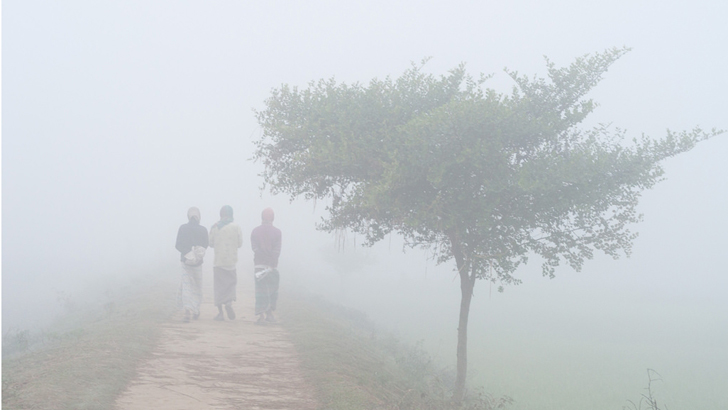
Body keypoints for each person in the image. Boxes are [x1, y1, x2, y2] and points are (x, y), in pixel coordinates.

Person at [209, 205, 243, 321]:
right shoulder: (236, 227)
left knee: (219, 288)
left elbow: (210, 243)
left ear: (220, 214)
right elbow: (240, 244)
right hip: (231, 263)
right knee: (230, 285)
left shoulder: (215, 227)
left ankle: (220, 313)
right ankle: (229, 303)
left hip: (218, 263)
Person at [175, 207, 209, 323]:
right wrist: (196, 254)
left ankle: (187, 311)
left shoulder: (183, 228)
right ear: (198, 217)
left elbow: (178, 245)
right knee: (197, 286)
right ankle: (196, 310)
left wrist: (188, 253)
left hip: (186, 262)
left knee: (186, 286)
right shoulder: (203, 230)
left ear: (188, 216)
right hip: (198, 264)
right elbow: (206, 245)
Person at [251, 207, 282, 323]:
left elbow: (255, 248)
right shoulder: (277, 232)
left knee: (260, 291)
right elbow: (277, 251)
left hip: (259, 265)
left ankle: (261, 317)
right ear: (273, 218)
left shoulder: (255, 231)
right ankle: (269, 314)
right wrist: (271, 262)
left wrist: (262, 256)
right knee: (271, 291)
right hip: (271, 267)